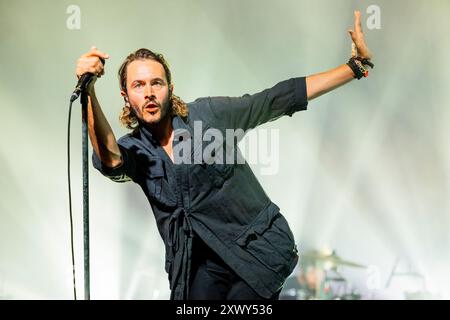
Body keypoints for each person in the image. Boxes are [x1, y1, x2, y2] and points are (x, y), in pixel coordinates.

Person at [75, 11, 373, 300]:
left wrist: (354, 67)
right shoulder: (136, 150)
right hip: (199, 271)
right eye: (138, 85)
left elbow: (273, 100)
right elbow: (111, 159)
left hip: (258, 254)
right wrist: (88, 91)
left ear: (170, 88)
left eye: (157, 82)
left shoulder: (209, 115)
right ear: (126, 96)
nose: (149, 92)